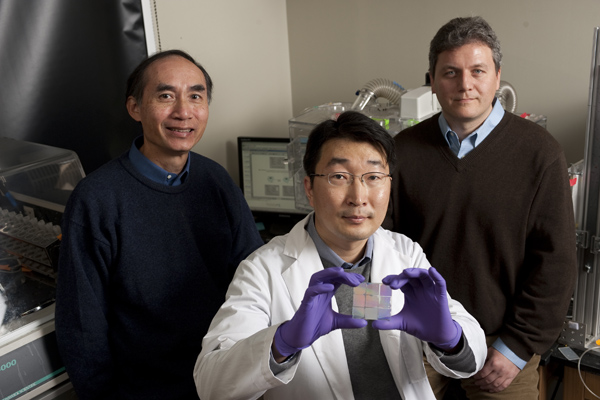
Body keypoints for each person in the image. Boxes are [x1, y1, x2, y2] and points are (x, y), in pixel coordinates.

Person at [193, 111, 487, 400]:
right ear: (309, 188)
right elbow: (211, 384)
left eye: (373, 176)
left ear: (389, 185)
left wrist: (450, 338)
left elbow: (470, 357)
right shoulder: (263, 269)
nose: (358, 197)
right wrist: (282, 343)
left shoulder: (405, 252)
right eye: (339, 176)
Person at [384, 16, 577, 399]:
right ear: (432, 80)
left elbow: (555, 264)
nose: (465, 84)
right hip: (416, 338)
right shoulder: (401, 151)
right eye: (450, 72)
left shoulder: (540, 154)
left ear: (498, 76)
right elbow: (383, 245)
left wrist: (516, 347)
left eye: (477, 70)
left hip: (501, 346)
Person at [54, 49, 263, 400]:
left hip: (224, 378)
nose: (183, 111)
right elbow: (82, 325)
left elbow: (255, 277)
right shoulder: (96, 199)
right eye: (166, 96)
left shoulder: (217, 181)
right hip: (147, 390)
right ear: (135, 107)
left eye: (195, 96)